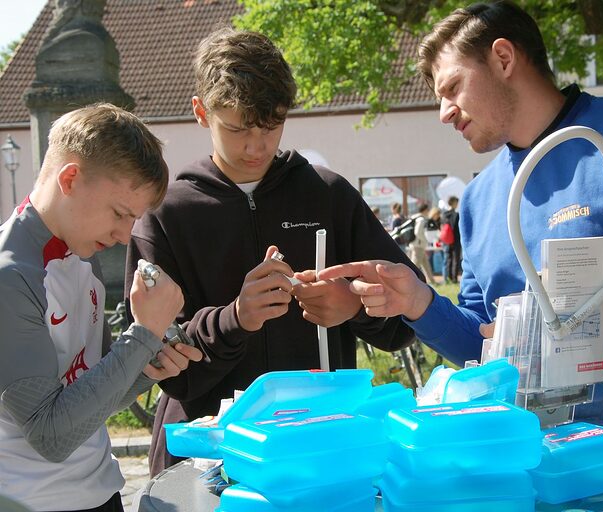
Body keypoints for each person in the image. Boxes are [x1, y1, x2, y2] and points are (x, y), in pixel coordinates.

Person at [319, 2, 603, 511]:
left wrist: (587, 320)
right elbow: (489, 353)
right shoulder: (482, 199)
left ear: (504, 58)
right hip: (544, 470)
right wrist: (420, 304)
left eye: (451, 88)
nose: (443, 111)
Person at [124, 27, 419, 477]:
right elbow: (154, 363)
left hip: (319, 450)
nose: (257, 146)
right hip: (206, 458)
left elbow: (406, 321)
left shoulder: (328, 194)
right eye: (238, 128)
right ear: (201, 113)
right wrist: (235, 318)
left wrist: (355, 305)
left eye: (272, 125)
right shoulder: (167, 213)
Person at [0, 104, 202, 512]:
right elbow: (51, 434)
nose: (125, 236)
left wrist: (149, 364)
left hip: (101, 490)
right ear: (70, 178)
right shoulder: (11, 277)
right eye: (119, 214)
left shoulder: (81, 253)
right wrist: (142, 334)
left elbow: (92, 390)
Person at [407, 203, 438, 285]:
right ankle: (409, 281)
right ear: (425, 210)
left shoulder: (415, 217)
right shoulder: (421, 219)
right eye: (428, 210)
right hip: (418, 245)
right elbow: (417, 232)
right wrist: (425, 240)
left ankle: (432, 281)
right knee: (414, 265)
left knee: (426, 264)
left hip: (416, 244)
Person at [441, 196, 461, 283]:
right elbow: (457, 228)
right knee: (455, 260)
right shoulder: (456, 215)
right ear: (453, 203)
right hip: (455, 240)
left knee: (447, 259)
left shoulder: (444, 214)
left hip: (446, 240)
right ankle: (454, 279)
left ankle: (447, 278)